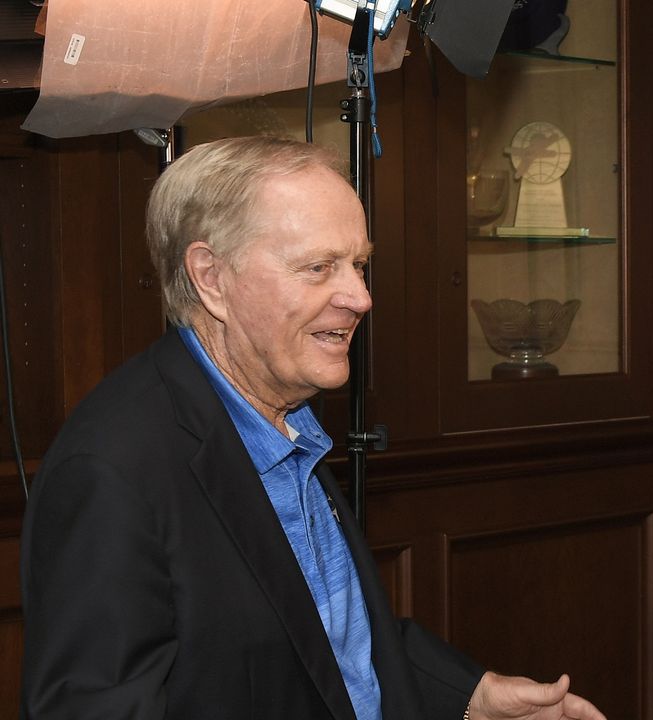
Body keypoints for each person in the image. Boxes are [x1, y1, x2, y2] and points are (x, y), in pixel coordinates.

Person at [21, 136, 606, 720]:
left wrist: (467, 697)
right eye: (318, 267)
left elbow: (319, 640)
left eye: (358, 265)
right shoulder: (111, 472)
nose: (359, 297)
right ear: (211, 278)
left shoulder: (283, 417)